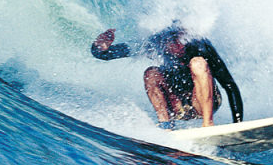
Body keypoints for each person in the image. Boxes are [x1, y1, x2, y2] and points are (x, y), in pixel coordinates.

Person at [91, 24, 243, 129]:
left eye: (182, 38)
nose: (180, 45)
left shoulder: (201, 46)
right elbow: (106, 54)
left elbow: (229, 85)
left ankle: (208, 124)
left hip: (202, 102)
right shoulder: (155, 44)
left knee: (198, 63)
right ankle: (166, 126)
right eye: (174, 40)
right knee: (151, 73)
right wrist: (99, 47)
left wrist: (238, 124)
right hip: (176, 105)